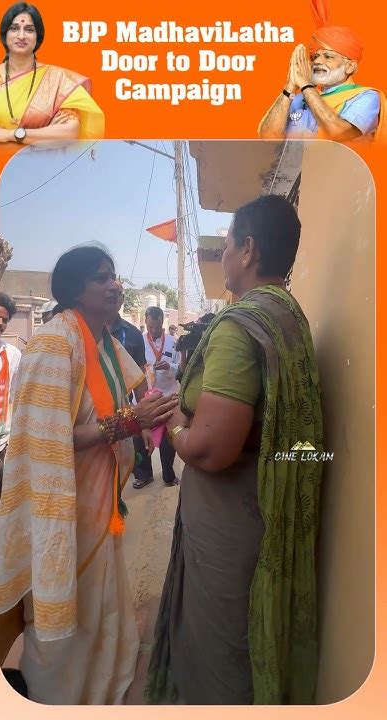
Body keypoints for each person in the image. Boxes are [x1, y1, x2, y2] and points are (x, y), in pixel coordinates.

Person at [145, 195, 323, 705]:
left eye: (225, 245)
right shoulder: (289, 316)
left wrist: (174, 427)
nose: (221, 256)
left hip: (231, 516)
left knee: (221, 641)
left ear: (247, 250)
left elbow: (211, 448)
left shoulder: (238, 327)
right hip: (264, 506)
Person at [0, 246, 178, 705]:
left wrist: (154, 412)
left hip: (100, 502)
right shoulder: (53, 343)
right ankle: (60, 695)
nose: (115, 284)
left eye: (114, 276)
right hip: (65, 506)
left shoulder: (104, 342)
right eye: (102, 278)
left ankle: (107, 675)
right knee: (67, 604)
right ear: (75, 289)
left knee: (101, 597)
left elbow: (133, 398)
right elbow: (48, 439)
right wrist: (127, 423)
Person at [258, 0, 384, 142]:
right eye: (315, 56)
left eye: (328, 56)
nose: (317, 61)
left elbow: (339, 132)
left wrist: (306, 86)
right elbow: (268, 137)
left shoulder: (366, 97)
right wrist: (290, 87)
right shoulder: (298, 98)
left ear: (350, 67)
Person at [0, 3, 104, 147]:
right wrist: (45, 134)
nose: (21, 36)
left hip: (45, 167)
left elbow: (69, 133)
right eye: (14, 29)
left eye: (29, 30)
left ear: (38, 37)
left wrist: (10, 134)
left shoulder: (58, 79)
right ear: (5, 34)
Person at [108, 281, 154, 486]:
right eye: (110, 292)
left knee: (135, 440)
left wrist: (145, 421)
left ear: (122, 300)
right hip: (91, 409)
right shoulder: (83, 330)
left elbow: (139, 376)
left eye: (118, 294)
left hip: (123, 403)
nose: (114, 297)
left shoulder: (133, 333)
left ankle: (143, 474)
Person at [133, 306, 180, 489]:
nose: (154, 330)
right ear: (146, 322)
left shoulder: (173, 342)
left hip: (167, 395)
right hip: (144, 396)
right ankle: (144, 475)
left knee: (170, 437)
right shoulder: (139, 342)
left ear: (163, 322)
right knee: (140, 435)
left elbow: (180, 367)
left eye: (158, 326)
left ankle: (169, 475)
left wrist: (170, 366)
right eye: (151, 326)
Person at [0, 292, 21, 503]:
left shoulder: (12, 355)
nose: (0, 323)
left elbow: (15, 397)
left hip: (1, 443)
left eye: (4, 320)